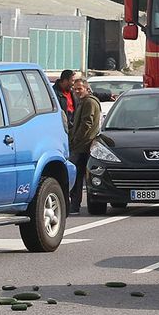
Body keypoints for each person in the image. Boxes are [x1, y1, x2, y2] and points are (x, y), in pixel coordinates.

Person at [67, 77, 101, 213]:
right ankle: (74, 205)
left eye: (79, 89)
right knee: (77, 177)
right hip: (81, 145)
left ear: (87, 89)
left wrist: (76, 139)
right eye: (75, 89)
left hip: (83, 146)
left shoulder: (89, 102)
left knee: (77, 177)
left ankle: (75, 205)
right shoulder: (83, 101)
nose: (76, 91)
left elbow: (87, 123)